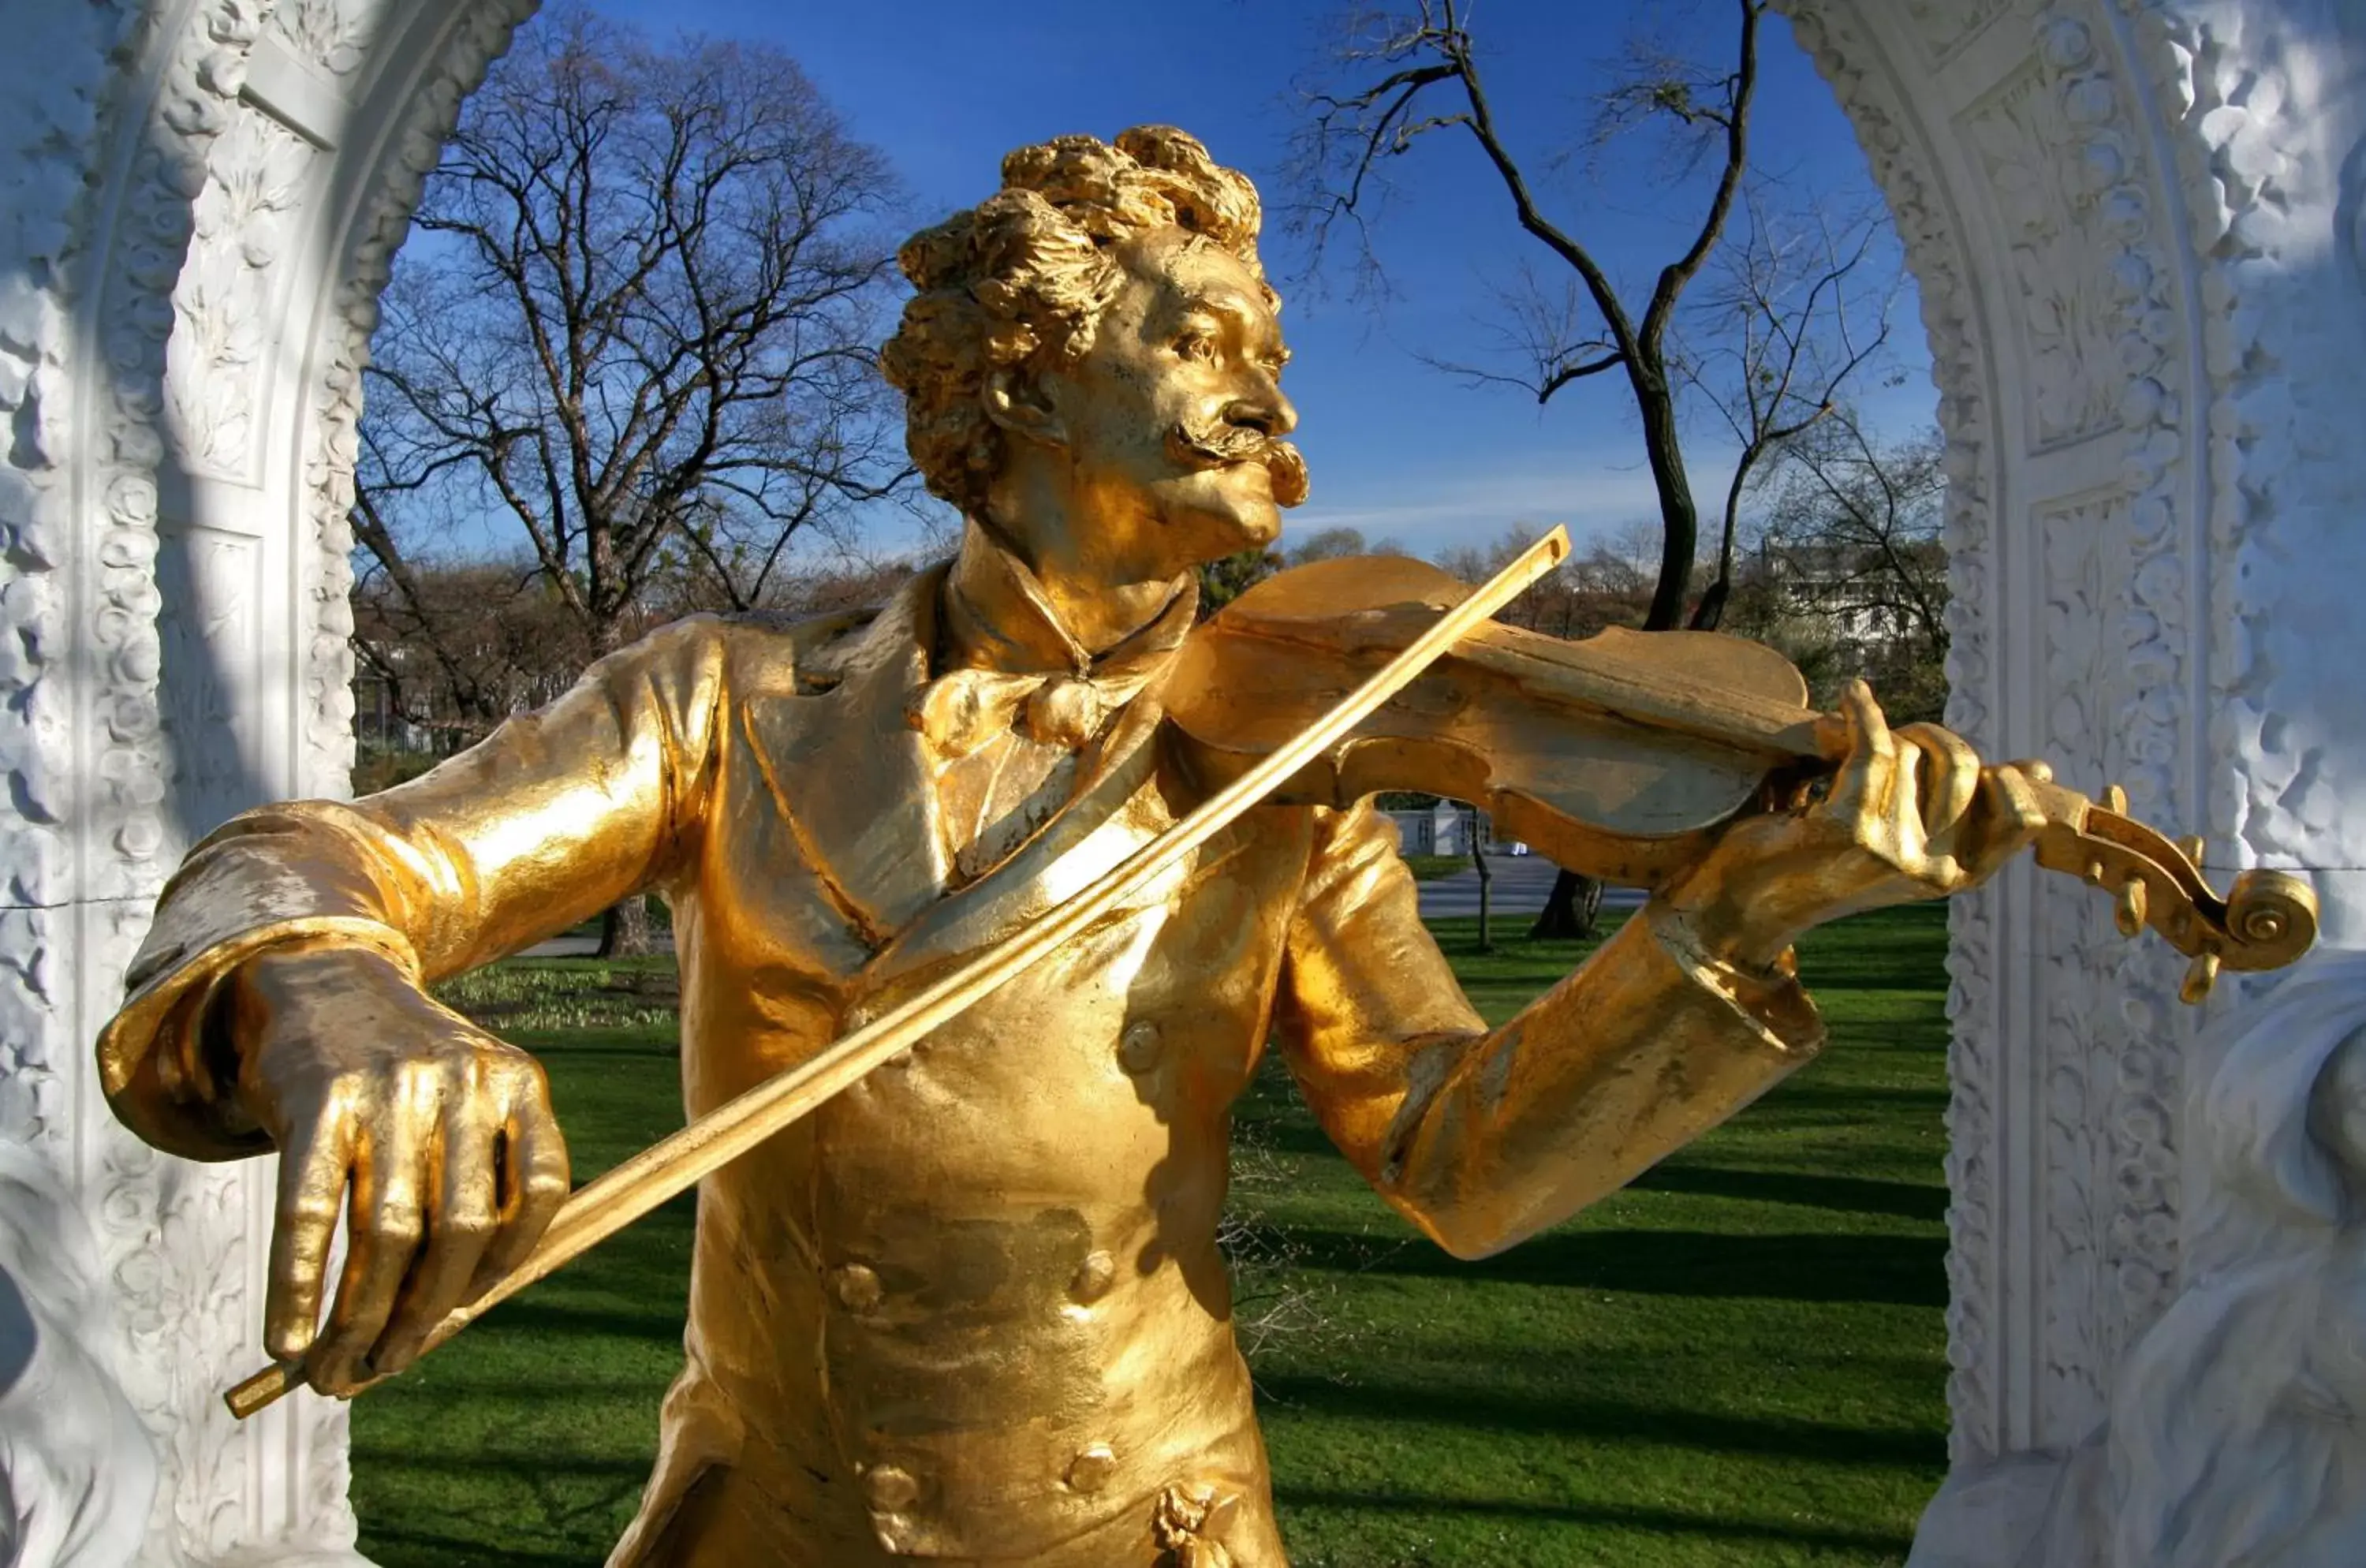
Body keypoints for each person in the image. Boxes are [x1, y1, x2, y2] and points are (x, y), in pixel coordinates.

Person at [95, 127, 2042, 1566]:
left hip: (1155, 1522)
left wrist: (1732, 920)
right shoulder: (723, 703)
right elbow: (322, 861)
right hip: (768, 1518)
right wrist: (334, 990)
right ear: (1020, 368)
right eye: (1204, 336)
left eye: (1270, 346)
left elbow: (1461, 1157)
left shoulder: (1305, 754)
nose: (1268, 394)